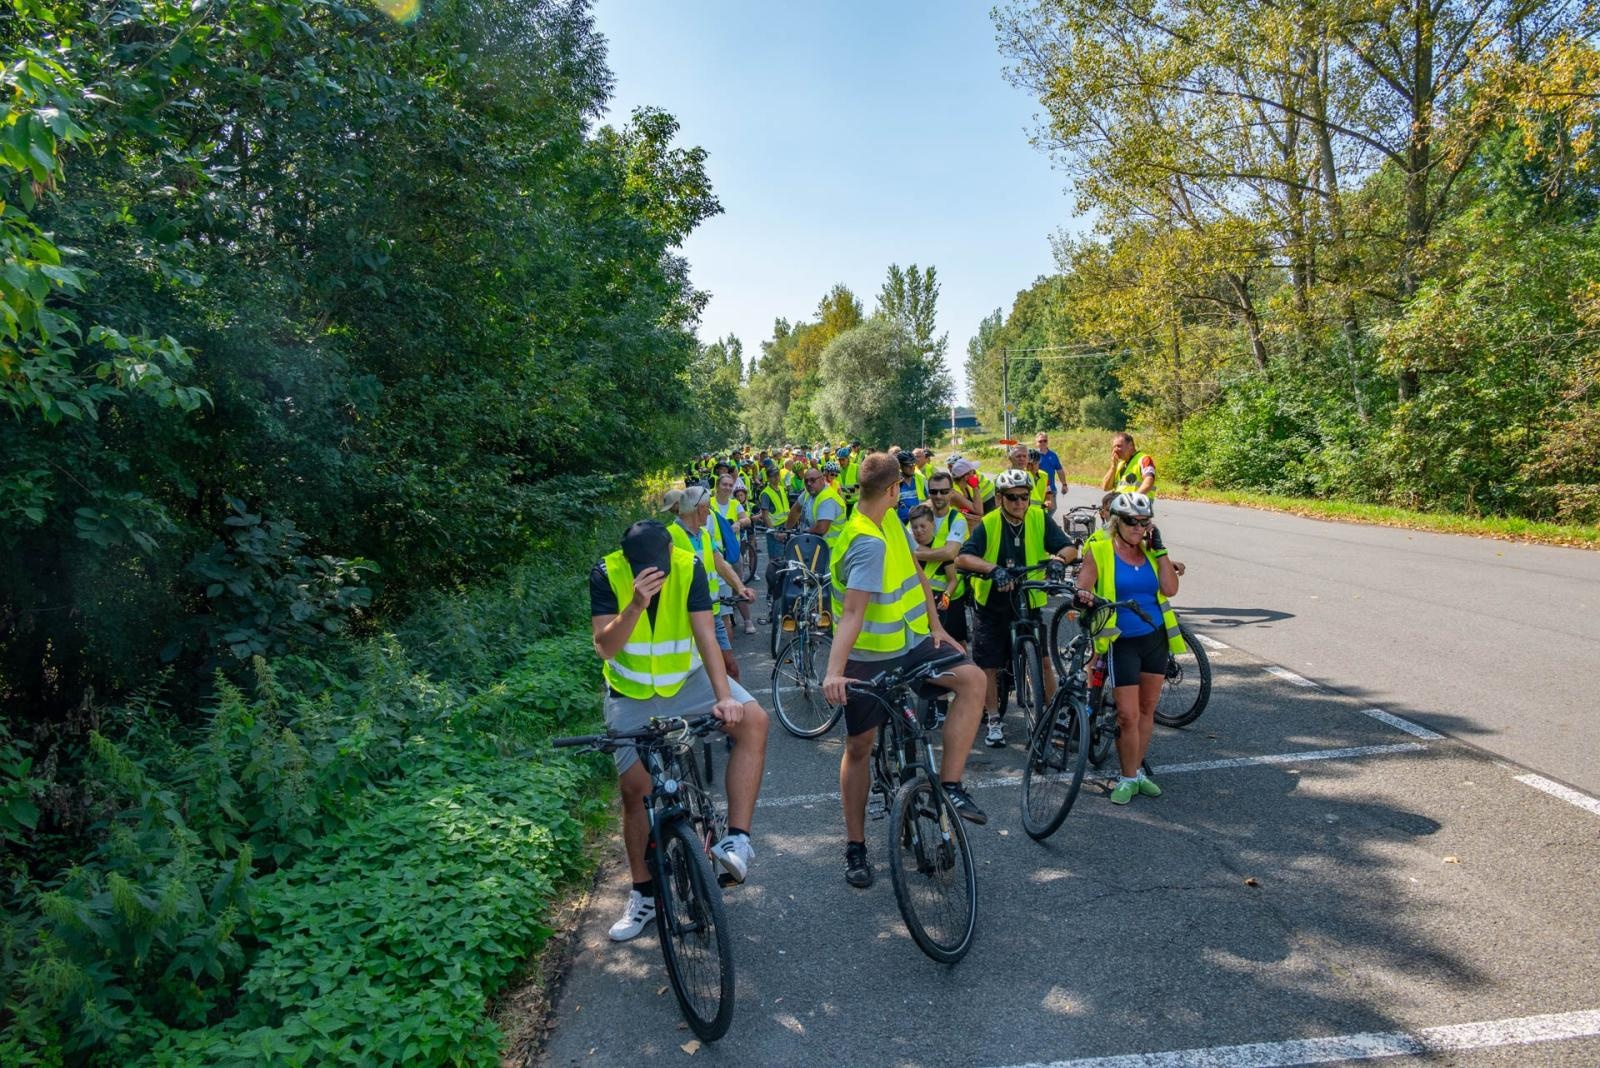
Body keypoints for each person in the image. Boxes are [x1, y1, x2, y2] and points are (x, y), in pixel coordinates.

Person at [589, 520, 770, 941]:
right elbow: (605, 646)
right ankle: (643, 895)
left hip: (689, 682)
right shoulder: (606, 572)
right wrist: (634, 603)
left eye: (659, 564)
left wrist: (725, 697)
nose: (654, 573)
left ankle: (737, 840)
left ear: (671, 551)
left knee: (754, 720)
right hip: (631, 694)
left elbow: (706, 635)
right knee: (635, 792)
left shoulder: (688, 566)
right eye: (643, 568)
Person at [822, 452, 989, 888]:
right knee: (860, 747)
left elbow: (916, 571)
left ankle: (949, 784)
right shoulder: (865, 540)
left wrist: (937, 627)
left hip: (913, 641)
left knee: (972, 680)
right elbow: (853, 613)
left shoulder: (888, 521)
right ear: (895, 490)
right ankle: (856, 846)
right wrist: (834, 671)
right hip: (868, 657)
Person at [955, 468, 1081, 748]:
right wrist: (992, 569)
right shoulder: (989, 523)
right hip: (992, 604)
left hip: (1028, 600)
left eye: (1024, 496)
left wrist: (1060, 560)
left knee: (1044, 659)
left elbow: (1069, 547)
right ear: (999, 498)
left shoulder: (1038, 517)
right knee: (988, 664)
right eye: (1012, 498)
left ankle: (1051, 712)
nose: (1019, 503)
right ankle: (993, 720)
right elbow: (963, 558)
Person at [1073, 492, 1183, 804]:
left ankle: (1136, 772)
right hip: (1121, 642)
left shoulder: (1151, 551)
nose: (1138, 528)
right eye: (1131, 522)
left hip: (1154, 639)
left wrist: (1160, 550)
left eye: (1144, 522)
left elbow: (1170, 589)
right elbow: (1083, 584)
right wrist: (1084, 596)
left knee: (1147, 711)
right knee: (1127, 715)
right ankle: (1126, 776)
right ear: (1116, 523)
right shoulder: (1100, 550)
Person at [664, 486, 755, 682]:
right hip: (687, 619)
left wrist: (740, 588)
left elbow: (720, 563)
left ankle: (734, 710)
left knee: (730, 668)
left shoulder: (704, 534)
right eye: (708, 508)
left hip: (713, 614)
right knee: (697, 677)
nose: (709, 512)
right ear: (700, 509)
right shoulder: (670, 536)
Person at [914, 471, 970, 645]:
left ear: (952, 493)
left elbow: (950, 553)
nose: (938, 496)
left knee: (957, 645)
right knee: (926, 646)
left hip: (949, 596)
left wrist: (916, 553)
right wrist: (941, 551)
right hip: (921, 594)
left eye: (944, 491)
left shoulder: (957, 519)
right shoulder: (920, 513)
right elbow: (907, 544)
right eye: (934, 491)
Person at [1102, 432, 1156, 497]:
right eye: (1114, 447)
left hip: (1139, 504)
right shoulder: (1120, 465)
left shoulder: (1144, 459)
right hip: (1121, 504)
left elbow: (1149, 482)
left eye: (1119, 446)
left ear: (1130, 445)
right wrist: (1113, 467)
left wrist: (1133, 498)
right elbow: (1106, 487)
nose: (1115, 450)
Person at [894, 450, 927, 523]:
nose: (912, 467)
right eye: (908, 465)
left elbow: (930, 500)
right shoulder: (894, 482)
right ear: (900, 466)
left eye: (913, 464)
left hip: (918, 522)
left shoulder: (921, 479)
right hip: (900, 524)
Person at [1034, 432, 1063, 498]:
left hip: (1051, 489)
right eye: (1040, 441)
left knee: (1052, 508)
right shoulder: (1033, 455)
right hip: (1037, 490)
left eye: (1045, 441)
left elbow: (1059, 470)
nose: (1043, 443)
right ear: (1036, 442)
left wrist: (1064, 484)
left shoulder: (1053, 455)